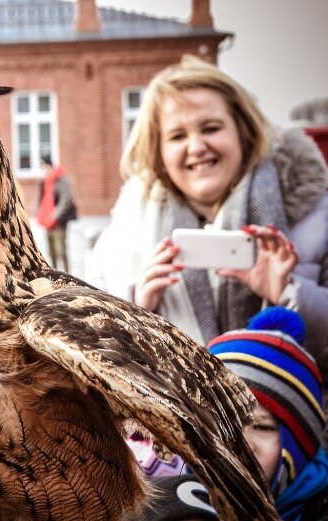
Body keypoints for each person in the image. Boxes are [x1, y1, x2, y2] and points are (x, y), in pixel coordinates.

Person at [88, 55, 328, 376]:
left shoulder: (315, 215)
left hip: (288, 423)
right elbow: (94, 359)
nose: (196, 146)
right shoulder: (124, 236)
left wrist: (287, 292)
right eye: (177, 136)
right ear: (158, 151)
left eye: (211, 128)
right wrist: (137, 307)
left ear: (243, 132)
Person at [133, 306, 328, 520]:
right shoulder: (163, 501)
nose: (239, 445)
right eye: (220, 422)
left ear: (300, 446)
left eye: (262, 426)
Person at [36, 155, 77, 273]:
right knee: (51, 251)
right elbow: (42, 199)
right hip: (47, 221)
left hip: (59, 221)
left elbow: (66, 198)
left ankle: (67, 274)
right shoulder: (44, 181)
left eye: (45, 167)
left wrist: (56, 214)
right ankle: (55, 274)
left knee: (61, 251)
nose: (44, 170)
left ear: (50, 166)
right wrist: (40, 214)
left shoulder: (61, 179)